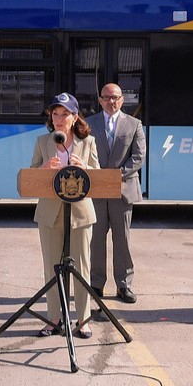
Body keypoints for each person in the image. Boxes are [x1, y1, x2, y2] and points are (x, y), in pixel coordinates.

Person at [31, 92, 102, 338]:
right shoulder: (43, 141)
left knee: (81, 266)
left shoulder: (88, 142)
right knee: (52, 267)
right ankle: (54, 319)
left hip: (80, 213)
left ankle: (83, 319)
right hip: (50, 213)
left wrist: (87, 169)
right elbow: (31, 176)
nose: (59, 119)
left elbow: (99, 176)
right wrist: (43, 169)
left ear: (74, 117)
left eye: (64, 114)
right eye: (55, 114)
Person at [87, 83, 145, 303]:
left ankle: (124, 285)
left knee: (123, 241)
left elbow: (138, 157)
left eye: (116, 98)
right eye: (107, 98)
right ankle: (96, 284)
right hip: (97, 191)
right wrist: (98, 177)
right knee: (96, 241)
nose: (111, 101)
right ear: (100, 100)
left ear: (122, 100)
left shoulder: (134, 124)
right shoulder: (88, 124)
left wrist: (117, 175)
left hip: (123, 190)